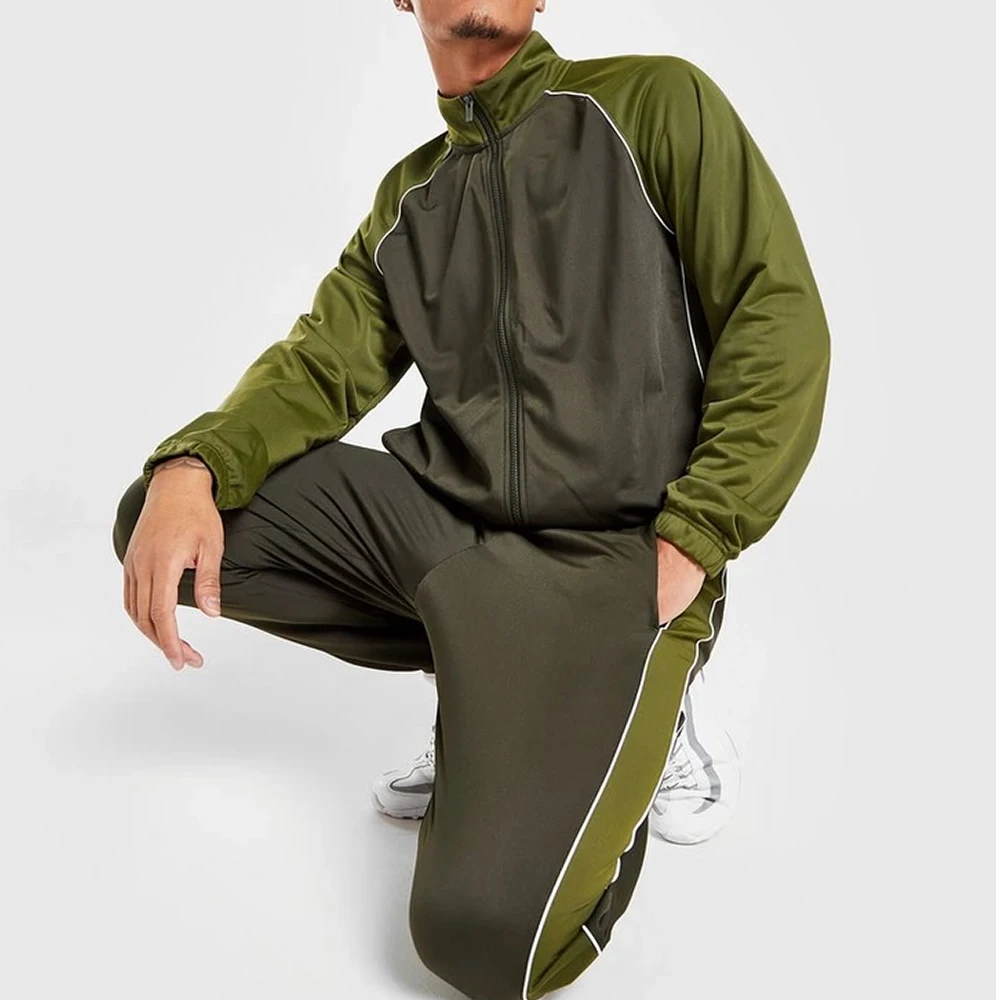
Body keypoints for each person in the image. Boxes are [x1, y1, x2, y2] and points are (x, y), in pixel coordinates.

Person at [112, 2, 831, 997]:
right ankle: (486, 678)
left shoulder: (653, 104)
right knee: (175, 518)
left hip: (616, 565)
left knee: (486, 945)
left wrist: (697, 533)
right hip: (451, 538)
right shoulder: (411, 197)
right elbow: (319, 367)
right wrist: (189, 466)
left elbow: (774, 315)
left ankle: (652, 710)